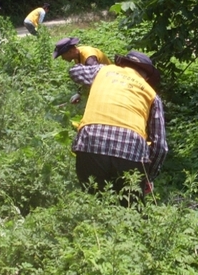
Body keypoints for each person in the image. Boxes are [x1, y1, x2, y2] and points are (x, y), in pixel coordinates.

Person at [69, 50, 168, 206]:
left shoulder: (103, 71)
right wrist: (149, 177)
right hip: (131, 150)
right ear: (147, 76)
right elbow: (160, 146)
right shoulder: (152, 94)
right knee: (129, 209)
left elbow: (74, 71)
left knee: (93, 204)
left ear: (122, 64)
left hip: (90, 142)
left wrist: (97, 71)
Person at [53, 37, 112, 104]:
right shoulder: (77, 55)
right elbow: (87, 76)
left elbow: (96, 80)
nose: (63, 58)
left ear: (70, 52)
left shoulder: (89, 59)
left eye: (62, 55)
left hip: (110, 82)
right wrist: (80, 93)